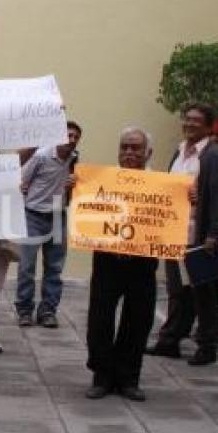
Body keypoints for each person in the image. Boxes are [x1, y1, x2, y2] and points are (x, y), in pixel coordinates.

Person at [146, 102, 218, 366]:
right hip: (174, 232)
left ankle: (207, 345)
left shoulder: (215, 156)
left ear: (208, 126)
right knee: (177, 289)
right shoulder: (180, 152)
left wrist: (216, 232)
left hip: (200, 234)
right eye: (187, 119)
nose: (189, 123)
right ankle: (170, 340)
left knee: (204, 291)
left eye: (196, 120)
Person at [85, 127, 158, 402]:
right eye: (124, 147)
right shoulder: (101, 180)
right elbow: (85, 210)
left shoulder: (162, 185)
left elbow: (173, 216)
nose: (129, 152)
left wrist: (189, 200)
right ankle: (102, 376)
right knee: (100, 318)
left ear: (147, 152)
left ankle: (128, 378)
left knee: (139, 319)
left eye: (135, 148)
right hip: (107, 260)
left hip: (143, 262)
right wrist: (74, 190)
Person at [14, 121, 82, 328]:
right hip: (33, 215)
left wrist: (72, 186)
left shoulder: (75, 159)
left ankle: (48, 311)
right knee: (26, 266)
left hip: (58, 215)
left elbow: (77, 192)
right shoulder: (42, 155)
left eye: (75, 137)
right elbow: (21, 179)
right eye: (68, 135)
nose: (71, 140)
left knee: (54, 267)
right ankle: (24, 311)